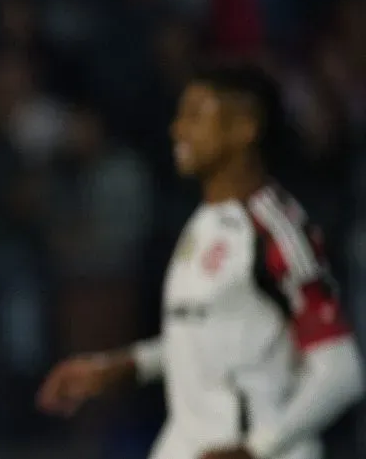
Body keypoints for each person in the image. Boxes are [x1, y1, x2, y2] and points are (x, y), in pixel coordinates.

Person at [36, 63, 365, 459]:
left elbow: (341, 369)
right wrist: (120, 367)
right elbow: (217, 335)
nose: (178, 130)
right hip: (188, 442)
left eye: (195, 116)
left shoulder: (274, 232)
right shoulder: (204, 223)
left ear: (244, 128)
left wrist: (256, 449)